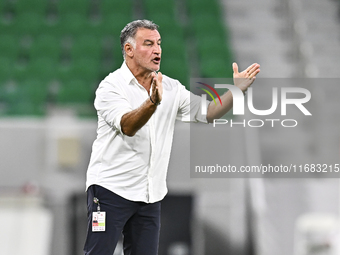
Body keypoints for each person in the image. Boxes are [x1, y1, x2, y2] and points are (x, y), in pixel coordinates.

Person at [84, 19, 260, 255]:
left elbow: (208, 112)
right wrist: (152, 103)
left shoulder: (171, 88)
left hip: (149, 195)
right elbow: (127, 125)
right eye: (148, 44)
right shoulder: (110, 87)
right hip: (109, 192)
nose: (157, 50)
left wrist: (236, 90)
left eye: (158, 43)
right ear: (129, 50)